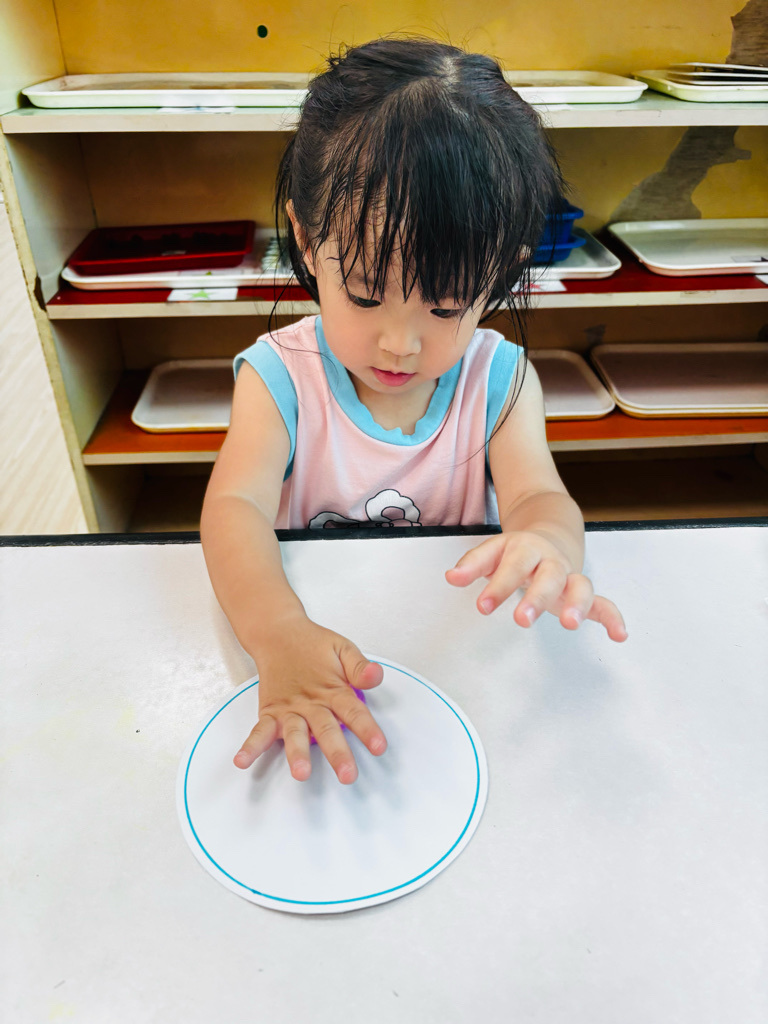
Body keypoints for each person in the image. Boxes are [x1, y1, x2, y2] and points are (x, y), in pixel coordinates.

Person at [200, 36, 627, 787]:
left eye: (447, 305)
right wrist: (277, 631)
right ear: (307, 239)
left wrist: (548, 544)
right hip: (314, 630)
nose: (400, 342)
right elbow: (234, 508)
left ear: (501, 272)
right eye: (366, 295)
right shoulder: (279, 377)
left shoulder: (499, 380)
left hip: (453, 654)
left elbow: (539, 495)